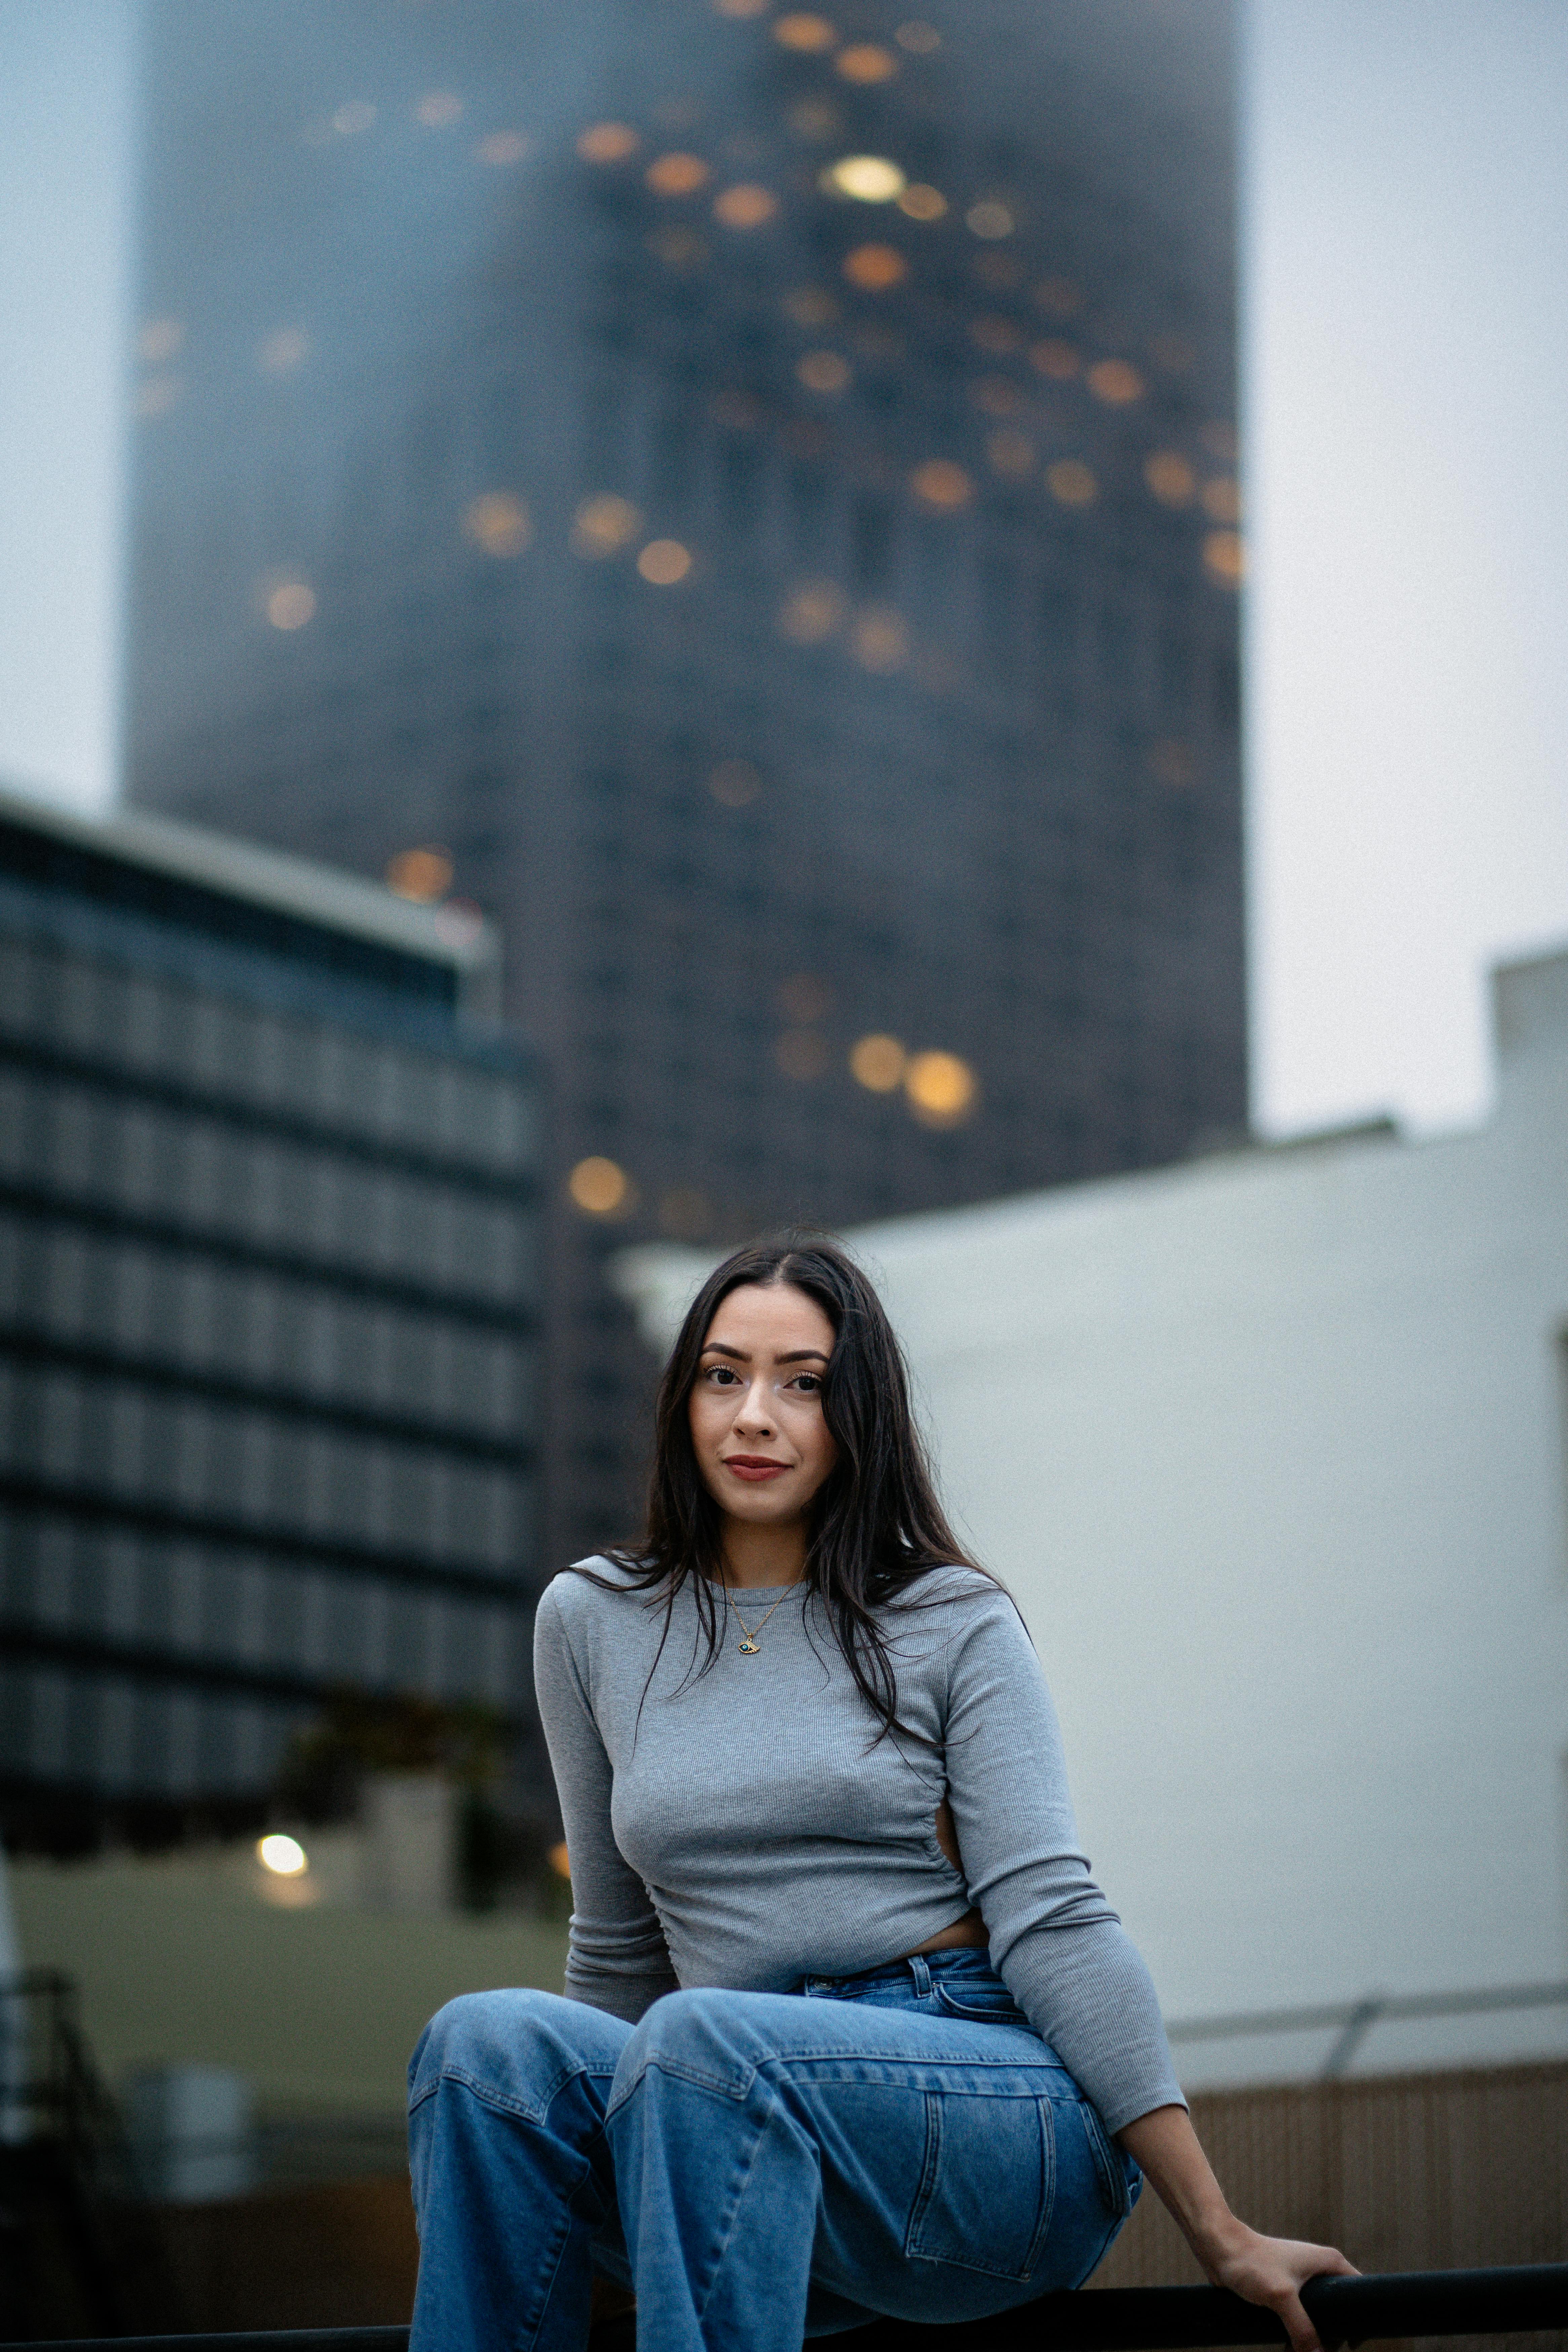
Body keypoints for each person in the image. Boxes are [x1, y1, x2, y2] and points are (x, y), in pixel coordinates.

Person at [408, 1237, 1353, 2352]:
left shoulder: (951, 1618)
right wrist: (653, 2188)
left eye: (801, 1383)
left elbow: (1053, 1918)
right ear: (682, 1400)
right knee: (484, 2045)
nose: (755, 1415)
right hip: (718, 2092)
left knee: (705, 2043)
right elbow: (619, 1953)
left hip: (984, 2097)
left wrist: (1219, 2226)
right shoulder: (592, 1620)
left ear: (856, 1412)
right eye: (725, 1375)